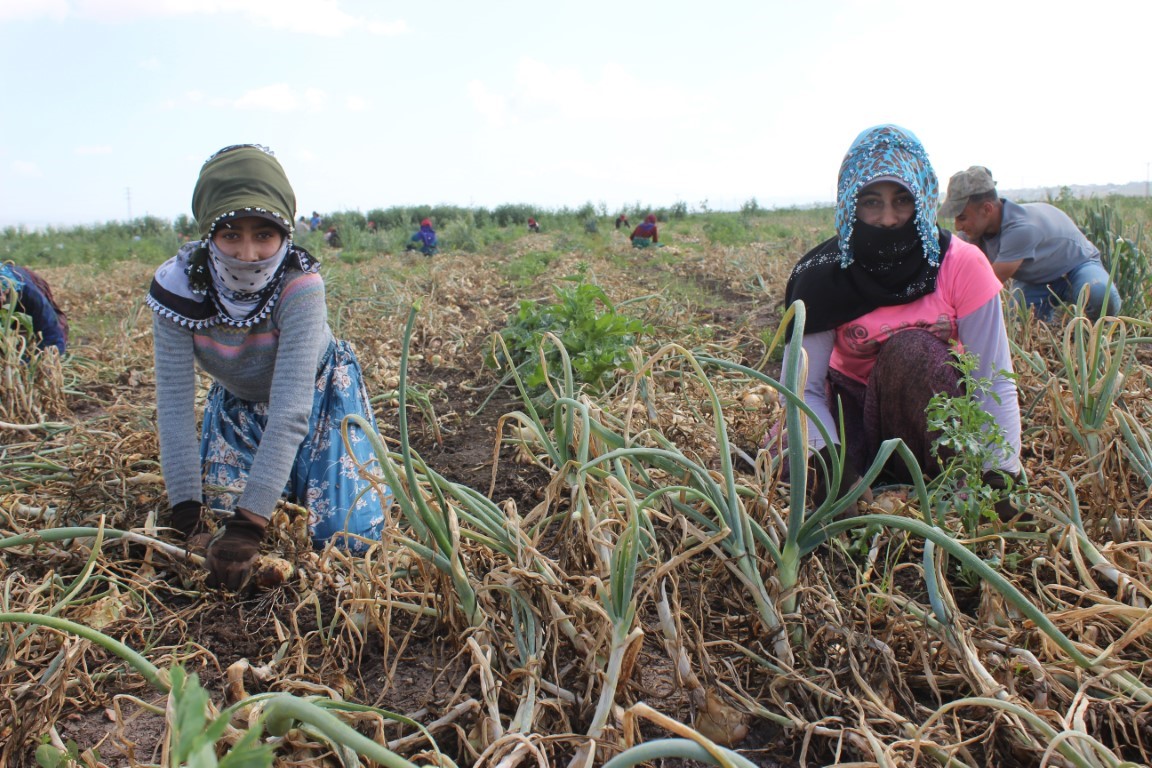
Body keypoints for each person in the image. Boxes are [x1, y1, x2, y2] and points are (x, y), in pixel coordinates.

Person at [146, 144, 390, 590]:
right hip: (240, 402)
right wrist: (187, 514)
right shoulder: (177, 293)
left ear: (285, 234)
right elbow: (175, 410)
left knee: (346, 536)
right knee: (218, 520)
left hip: (319, 397)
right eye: (230, 234)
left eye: (264, 234)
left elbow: (292, 409)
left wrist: (249, 526)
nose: (249, 253)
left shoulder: (300, 287)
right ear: (208, 233)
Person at [781, 125, 1022, 514]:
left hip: (928, 408)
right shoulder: (821, 275)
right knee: (810, 480)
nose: (889, 219)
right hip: (850, 409)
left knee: (910, 349)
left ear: (924, 198)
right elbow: (801, 389)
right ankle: (858, 475)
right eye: (871, 201)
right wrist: (830, 465)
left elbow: (993, 377)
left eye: (903, 200)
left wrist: (1000, 471)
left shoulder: (961, 264)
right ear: (849, 202)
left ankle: (929, 482)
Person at [939, 166, 1121, 321]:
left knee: (1100, 295)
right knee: (1018, 318)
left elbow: (986, 284)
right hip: (1037, 280)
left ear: (987, 209)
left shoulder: (1021, 228)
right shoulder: (972, 230)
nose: (957, 226)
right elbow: (953, 268)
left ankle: (1098, 335)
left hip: (1077, 266)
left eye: (962, 217)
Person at [0, 262, 68, 354]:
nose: (2, 300)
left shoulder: (29, 292)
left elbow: (52, 335)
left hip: (31, 282)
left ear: (7, 289)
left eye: (1, 294)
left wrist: (31, 364)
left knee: (51, 326)